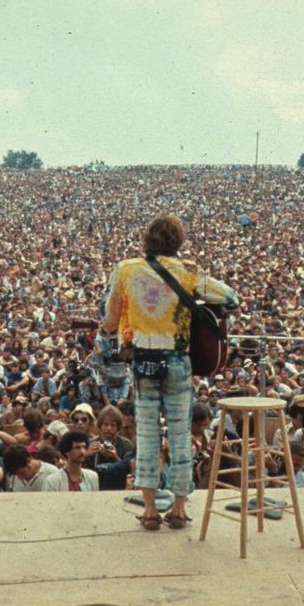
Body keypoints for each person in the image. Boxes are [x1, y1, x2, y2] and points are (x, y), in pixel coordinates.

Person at [102, 214, 238, 530]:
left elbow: (109, 321)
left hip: (144, 362)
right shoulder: (188, 271)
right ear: (178, 241)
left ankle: (150, 511)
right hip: (178, 361)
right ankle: (178, 509)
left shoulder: (125, 270)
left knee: (147, 436)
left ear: (147, 238)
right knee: (180, 435)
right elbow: (231, 299)